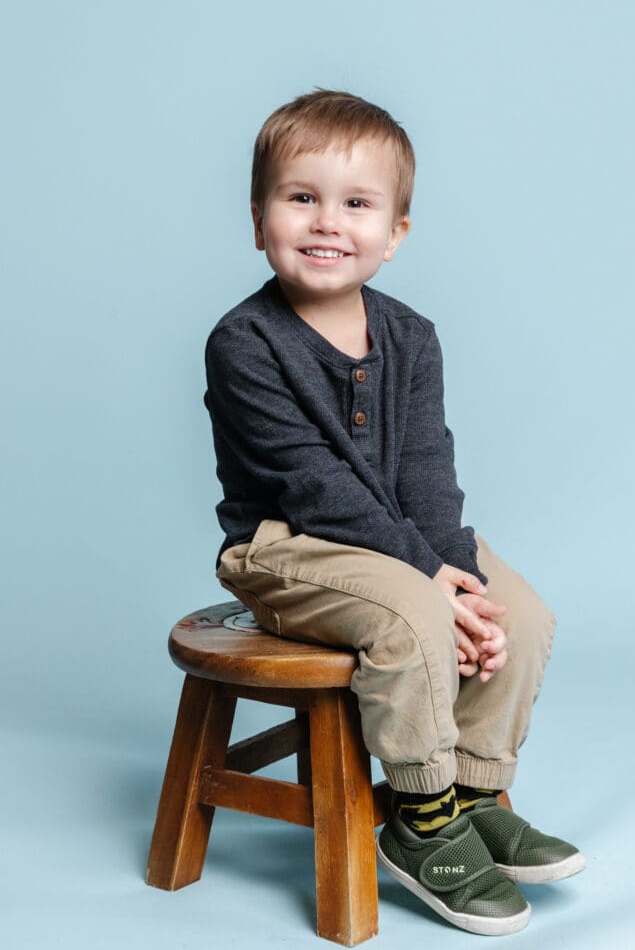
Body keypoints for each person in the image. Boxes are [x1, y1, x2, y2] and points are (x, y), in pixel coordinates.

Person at [203, 89, 584, 936]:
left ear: (394, 233)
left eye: (355, 204)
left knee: (515, 607)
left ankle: (476, 791)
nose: (326, 222)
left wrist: (459, 571)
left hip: (400, 541)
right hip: (284, 547)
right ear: (258, 219)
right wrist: (428, 578)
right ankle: (420, 819)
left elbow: (424, 466)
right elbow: (312, 486)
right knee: (415, 610)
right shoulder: (245, 343)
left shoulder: (410, 336)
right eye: (300, 198)